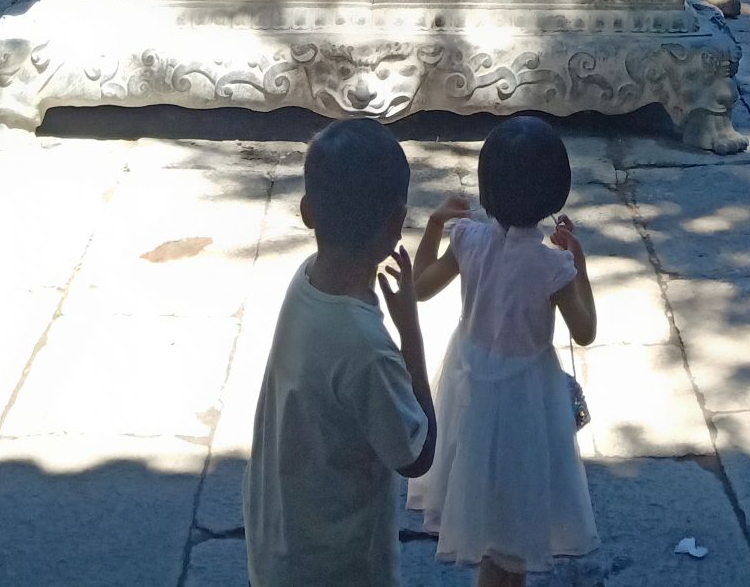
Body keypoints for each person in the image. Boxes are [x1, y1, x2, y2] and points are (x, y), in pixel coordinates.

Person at [408, 116, 599, 587]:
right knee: (518, 502)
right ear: (555, 190)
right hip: (526, 396)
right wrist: (579, 265)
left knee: (477, 480)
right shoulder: (550, 265)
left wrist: (434, 225)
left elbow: (418, 287)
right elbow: (586, 330)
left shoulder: (467, 240)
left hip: (469, 381)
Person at [245, 119, 437, 587]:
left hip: (281, 543)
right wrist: (410, 332)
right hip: (337, 565)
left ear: (308, 212)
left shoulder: (305, 278)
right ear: (396, 221)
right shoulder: (369, 353)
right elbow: (416, 453)